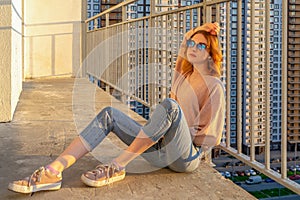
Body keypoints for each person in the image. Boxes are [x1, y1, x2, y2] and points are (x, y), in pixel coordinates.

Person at [8, 22, 225, 194]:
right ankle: (52, 172)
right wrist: (197, 31)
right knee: (109, 114)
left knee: (169, 106)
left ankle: (117, 166)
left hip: (185, 158)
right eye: (192, 44)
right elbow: (184, 43)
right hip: (160, 149)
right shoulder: (184, 75)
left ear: (210, 53)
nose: (193, 48)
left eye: (202, 45)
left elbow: (208, 139)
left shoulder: (214, 85)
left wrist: (173, 130)